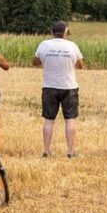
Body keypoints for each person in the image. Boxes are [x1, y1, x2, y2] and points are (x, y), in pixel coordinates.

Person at [34, 19, 86, 158]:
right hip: (69, 86)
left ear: (52, 32)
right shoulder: (72, 46)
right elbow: (80, 64)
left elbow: (35, 61)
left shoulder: (44, 45)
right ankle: (70, 151)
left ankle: (46, 149)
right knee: (70, 119)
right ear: (66, 32)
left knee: (48, 119)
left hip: (49, 86)